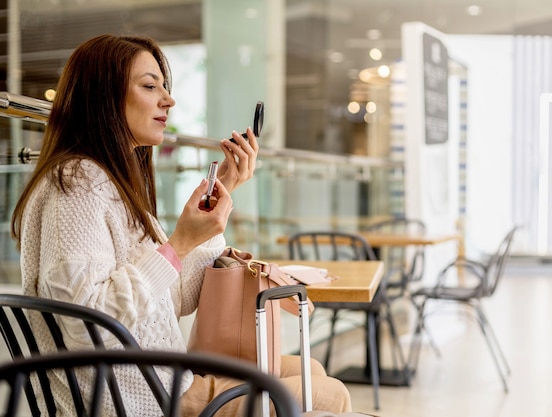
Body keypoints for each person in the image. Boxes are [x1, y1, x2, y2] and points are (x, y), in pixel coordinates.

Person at [10, 34, 352, 416]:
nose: (168, 100)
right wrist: (177, 245)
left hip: (157, 381)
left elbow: (177, 299)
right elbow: (86, 328)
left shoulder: (108, 183)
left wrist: (218, 197)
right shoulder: (77, 185)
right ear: (102, 97)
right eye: (149, 86)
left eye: (165, 87)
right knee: (328, 393)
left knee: (312, 371)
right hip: (141, 400)